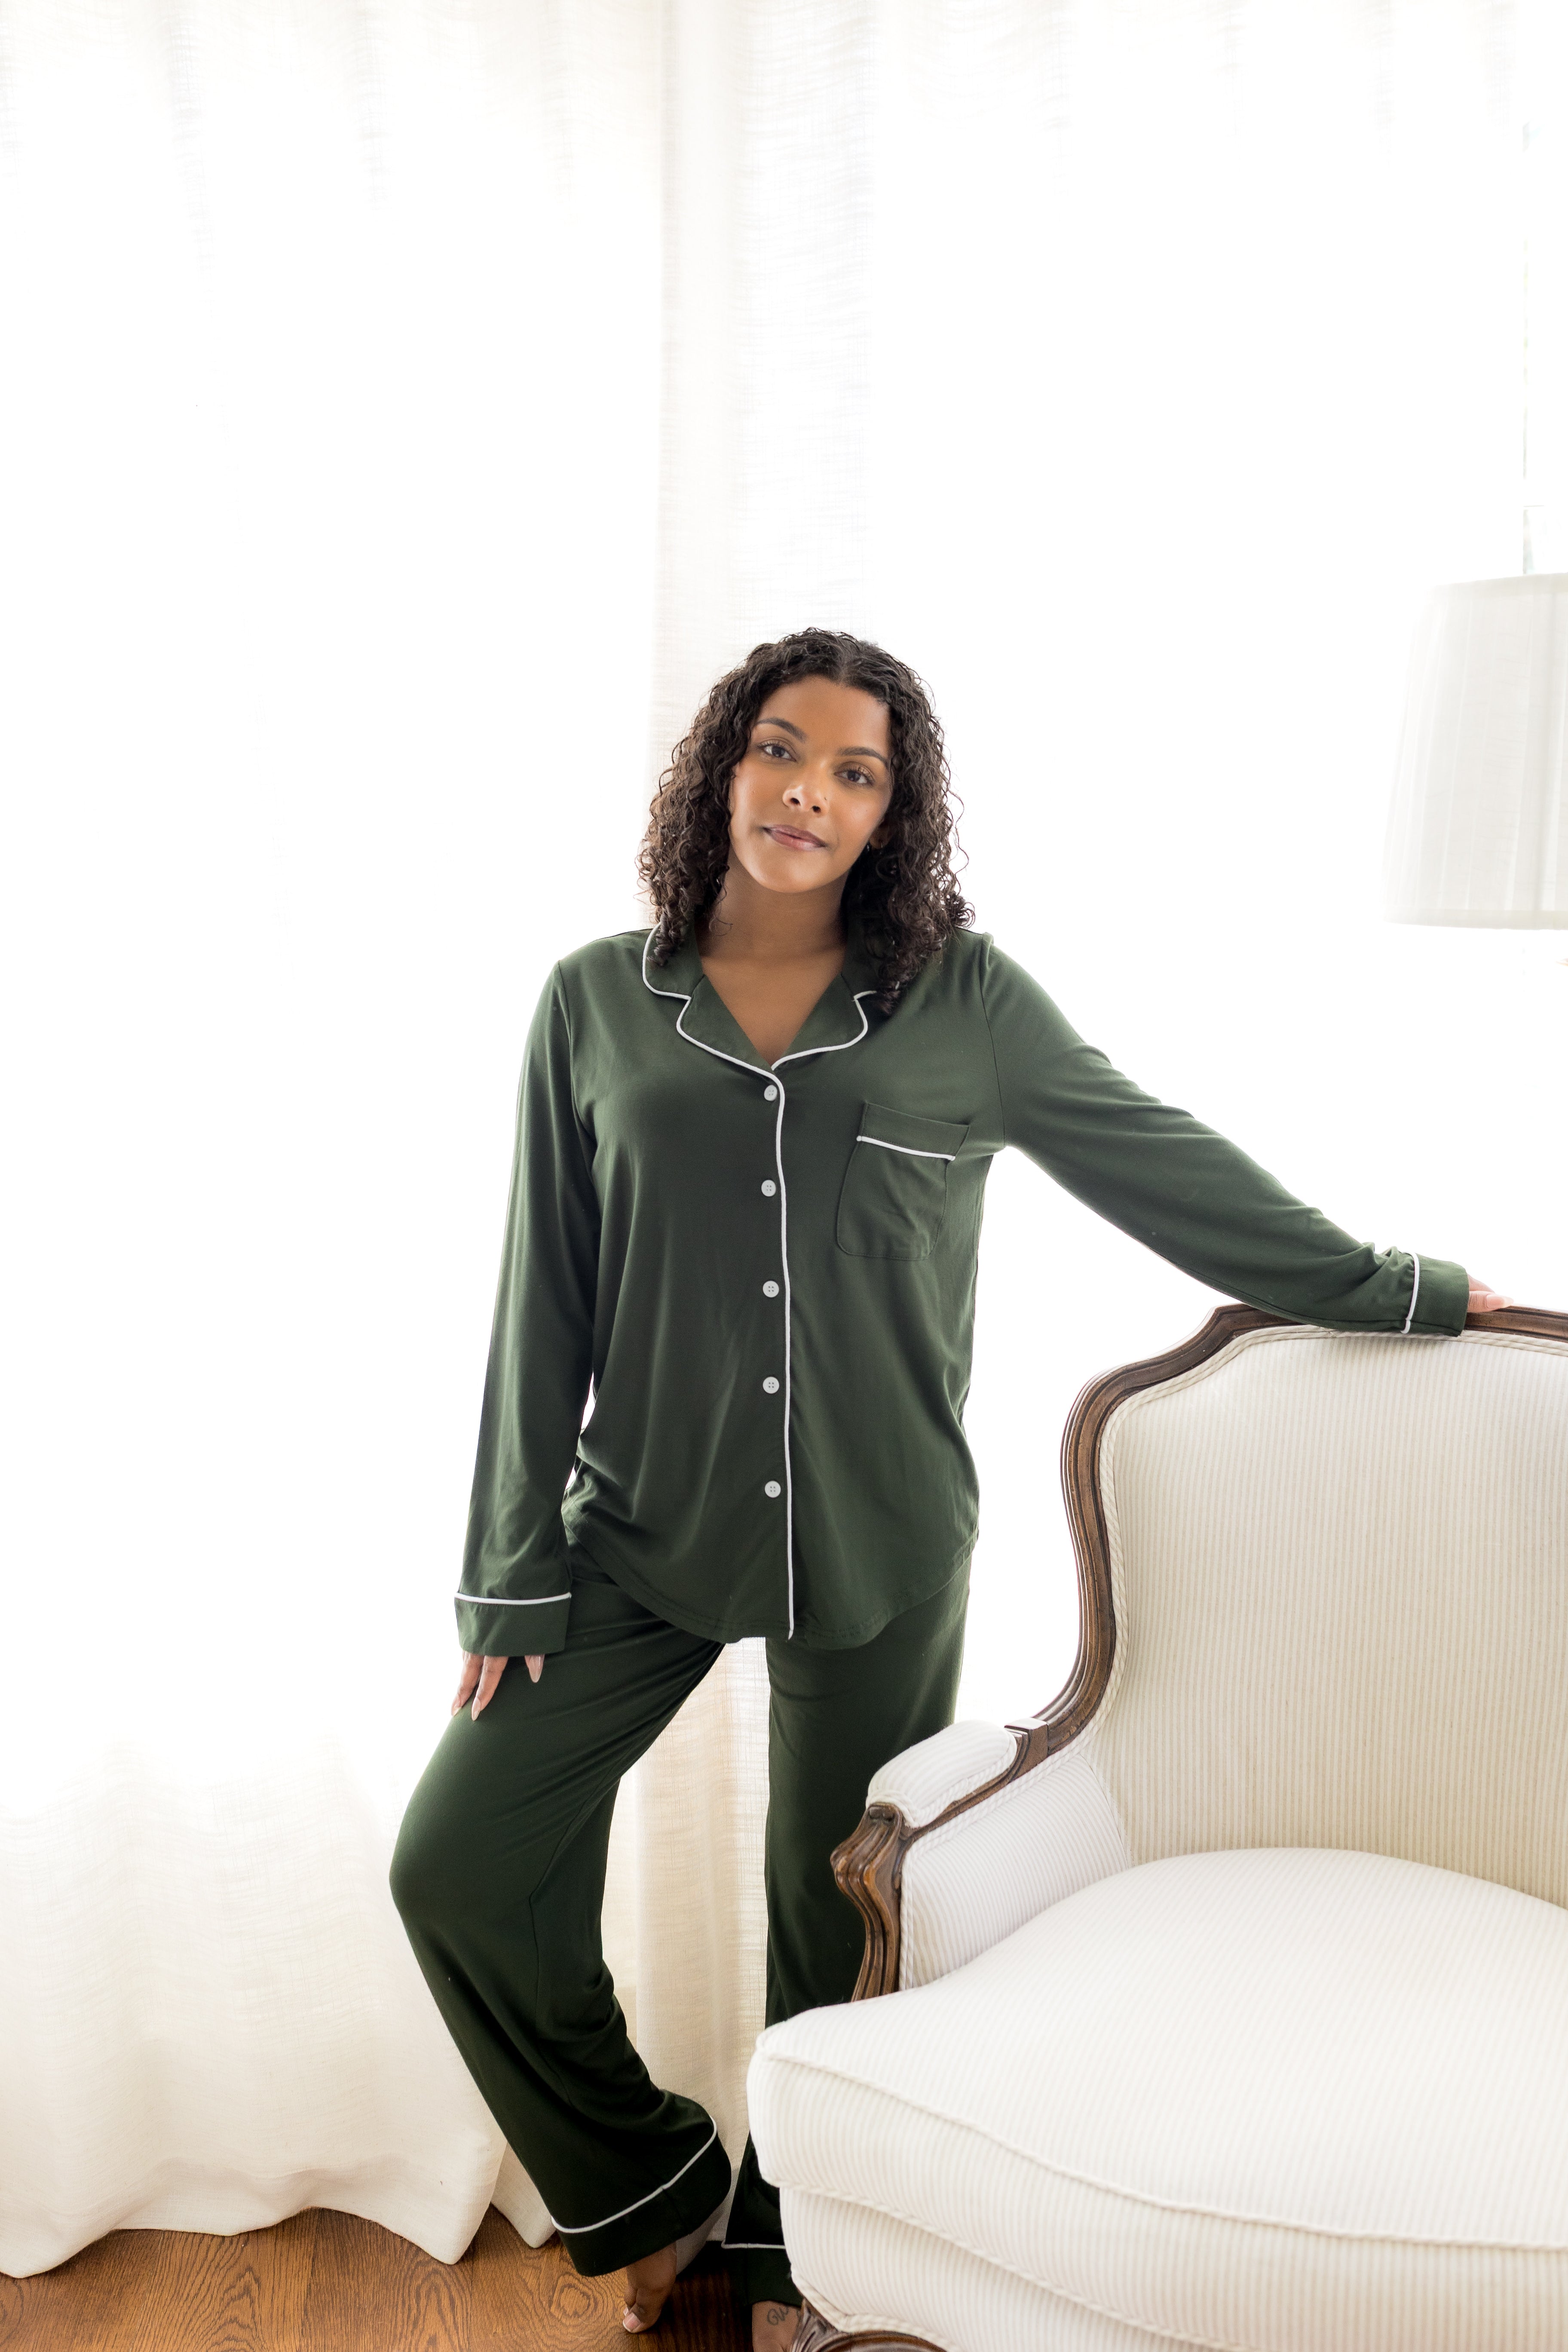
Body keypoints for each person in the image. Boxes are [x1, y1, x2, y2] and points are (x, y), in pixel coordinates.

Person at [389, 628, 1508, 2349]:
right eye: (782, 750)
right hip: (632, 1533)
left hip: (879, 1537)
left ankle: (777, 2264)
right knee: (459, 1862)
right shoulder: (596, 1002)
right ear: (722, 765)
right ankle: (645, 2184)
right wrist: (507, 1575)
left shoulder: (966, 1007)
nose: (810, 792)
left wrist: (1402, 1285)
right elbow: (540, 1303)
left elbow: (1164, 1161)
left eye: (856, 772)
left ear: (893, 813)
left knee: (828, 1914)